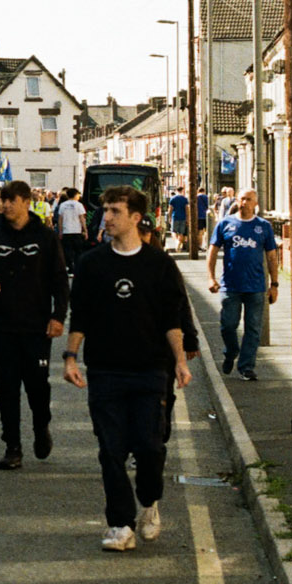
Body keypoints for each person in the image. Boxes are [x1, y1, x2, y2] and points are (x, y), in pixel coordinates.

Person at [64, 189, 194, 551]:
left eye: (114, 211)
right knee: (111, 450)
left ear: (136, 217)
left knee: (150, 447)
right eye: (104, 210)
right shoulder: (91, 263)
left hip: (151, 370)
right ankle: (120, 524)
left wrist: (181, 361)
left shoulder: (159, 264)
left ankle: (149, 502)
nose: (106, 217)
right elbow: (82, 315)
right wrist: (71, 357)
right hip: (105, 370)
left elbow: (172, 319)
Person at [0, 179, 66, 470]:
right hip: (3, 325)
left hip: (36, 324)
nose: (4, 205)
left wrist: (58, 316)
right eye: (3, 200)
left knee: (37, 385)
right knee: (7, 386)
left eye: (10, 200)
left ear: (26, 202)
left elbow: (60, 281)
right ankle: (12, 445)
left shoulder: (46, 237)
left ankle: (41, 427)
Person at [207, 189, 279, 382]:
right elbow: (212, 251)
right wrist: (210, 277)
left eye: (249, 199)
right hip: (230, 285)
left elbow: (272, 256)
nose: (245, 202)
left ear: (256, 203)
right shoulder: (225, 224)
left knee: (253, 328)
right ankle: (231, 351)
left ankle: (246, 366)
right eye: (242, 199)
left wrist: (274, 284)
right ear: (237, 201)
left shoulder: (263, 226)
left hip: (256, 286)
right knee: (228, 325)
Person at [56, 187, 90, 269]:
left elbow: (60, 219)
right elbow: (82, 218)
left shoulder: (62, 205)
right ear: (75, 195)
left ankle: (69, 267)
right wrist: (85, 230)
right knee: (78, 251)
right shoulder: (79, 205)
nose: (79, 197)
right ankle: (77, 267)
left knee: (67, 251)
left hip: (66, 231)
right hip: (76, 231)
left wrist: (60, 231)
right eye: (78, 195)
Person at [166, 188, 190, 253]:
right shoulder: (184, 199)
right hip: (183, 217)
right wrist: (187, 218)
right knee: (181, 233)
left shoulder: (173, 198)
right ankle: (179, 244)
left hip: (175, 217)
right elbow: (187, 209)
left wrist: (169, 217)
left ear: (176, 191)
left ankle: (177, 243)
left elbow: (170, 209)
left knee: (174, 232)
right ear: (182, 191)